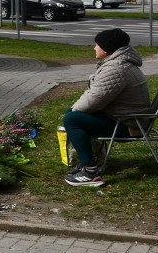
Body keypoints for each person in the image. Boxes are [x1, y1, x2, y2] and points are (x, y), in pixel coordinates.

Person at [62, 28, 150, 187]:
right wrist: (74, 108)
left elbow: (95, 99)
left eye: (97, 45)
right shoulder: (119, 64)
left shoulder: (116, 68)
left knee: (72, 119)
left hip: (129, 126)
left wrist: (74, 110)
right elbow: (96, 95)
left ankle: (90, 172)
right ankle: (88, 162)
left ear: (107, 48)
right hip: (128, 120)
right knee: (73, 114)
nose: (94, 48)